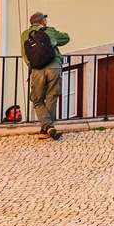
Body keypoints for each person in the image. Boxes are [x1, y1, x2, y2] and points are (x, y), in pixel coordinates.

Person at [21, 12, 70, 140]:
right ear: (43, 21)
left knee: (37, 100)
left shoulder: (25, 35)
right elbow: (66, 38)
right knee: (51, 97)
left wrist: (32, 65)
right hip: (53, 67)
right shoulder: (50, 31)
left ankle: (46, 128)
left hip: (37, 70)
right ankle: (47, 128)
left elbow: (25, 54)